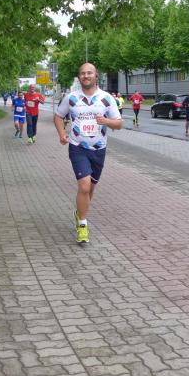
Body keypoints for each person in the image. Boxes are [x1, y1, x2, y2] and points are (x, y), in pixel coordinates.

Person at [53, 63, 122, 244]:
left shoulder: (106, 98)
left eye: (89, 73)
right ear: (79, 77)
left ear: (96, 75)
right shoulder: (71, 98)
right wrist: (62, 134)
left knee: (90, 189)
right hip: (77, 147)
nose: (86, 76)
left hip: (99, 149)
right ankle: (83, 225)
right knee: (84, 186)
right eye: (83, 73)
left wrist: (106, 121)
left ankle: (80, 213)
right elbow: (58, 116)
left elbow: (119, 123)